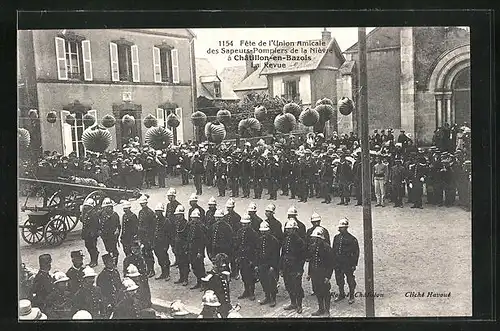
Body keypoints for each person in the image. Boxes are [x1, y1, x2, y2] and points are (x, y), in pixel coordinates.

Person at [280, 219, 306, 314]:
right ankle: (293, 303)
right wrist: (281, 268)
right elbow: (283, 254)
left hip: (295, 268)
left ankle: (299, 305)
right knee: (288, 285)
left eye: (290, 229)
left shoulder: (299, 242)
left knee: (297, 287)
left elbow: (302, 258)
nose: (287, 231)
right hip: (286, 266)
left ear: (295, 230)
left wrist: (300, 270)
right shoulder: (286, 239)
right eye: (287, 229)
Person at [332, 218, 359, 305]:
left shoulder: (352, 239)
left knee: (350, 279)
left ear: (346, 228)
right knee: (339, 279)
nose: (339, 229)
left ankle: (351, 296)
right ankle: (341, 294)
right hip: (338, 263)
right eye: (339, 227)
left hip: (347, 263)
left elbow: (356, 253)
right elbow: (334, 250)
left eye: (341, 227)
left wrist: (354, 264)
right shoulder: (336, 237)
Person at [307, 227, 334, 316]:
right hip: (315, 273)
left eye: (316, 238)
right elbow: (311, 261)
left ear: (320, 238)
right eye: (314, 238)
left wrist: (328, 276)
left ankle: (327, 310)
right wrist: (309, 273)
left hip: (323, 274)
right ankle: (321, 309)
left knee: (325, 292)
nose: (315, 240)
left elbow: (330, 264)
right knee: (317, 291)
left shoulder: (327, 248)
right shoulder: (312, 247)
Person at [255, 221, 280, 307]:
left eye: (265, 231)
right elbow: (257, 253)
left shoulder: (274, 241)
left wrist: (273, 266)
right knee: (263, 281)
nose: (263, 233)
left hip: (270, 266)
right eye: (262, 231)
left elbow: (276, 255)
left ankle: (273, 298)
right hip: (262, 265)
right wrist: (257, 265)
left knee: (271, 282)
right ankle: (267, 296)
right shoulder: (259, 240)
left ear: (268, 231)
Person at [234, 214, 259, 301]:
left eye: (246, 224)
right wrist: (237, 256)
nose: (244, 225)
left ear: (249, 224)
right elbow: (236, 245)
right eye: (243, 224)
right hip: (241, 257)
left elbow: (256, 249)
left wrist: (254, 261)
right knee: (244, 275)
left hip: (250, 258)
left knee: (251, 277)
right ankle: (246, 291)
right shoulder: (239, 232)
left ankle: (251, 292)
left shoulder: (254, 234)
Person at [201, 253, 232, 318]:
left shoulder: (224, 274)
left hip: (225, 305)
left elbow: (226, 291)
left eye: (225, 264)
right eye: (222, 264)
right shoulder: (211, 277)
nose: (224, 266)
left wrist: (228, 304)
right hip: (216, 307)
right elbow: (209, 297)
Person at [96, 253, 123, 318]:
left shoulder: (116, 272)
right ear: (106, 263)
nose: (113, 263)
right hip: (108, 301)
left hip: (118, 299)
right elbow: (100, 292)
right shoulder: (101, 276)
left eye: (113, 261)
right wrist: (107, 302)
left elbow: (119, 286)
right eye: (111, 261)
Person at [187, 208, 207, 290]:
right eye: (192, 218)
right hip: (191, 249)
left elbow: (202, 241)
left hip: (198, 250)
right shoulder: (190, 225)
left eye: (195, 218)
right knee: (194, 267)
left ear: (198, 218)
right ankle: (198, 282)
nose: (194, 220)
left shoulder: (201, 227)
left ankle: (203, 283)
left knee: (200, 267)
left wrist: (200, 252)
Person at [137, 195, 156, 277]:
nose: (142, 205)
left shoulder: (150, 212)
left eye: (143, 203)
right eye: (141, 204)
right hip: (143, 236)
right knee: (144, 253)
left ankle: (152, 270)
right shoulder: (140, 212)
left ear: (146, 203)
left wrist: (150, 238)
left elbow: (153, 226)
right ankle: (148, 269)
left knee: (149, 254)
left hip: (148, 236)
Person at [99, 198, 121, 264]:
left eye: (106, 208)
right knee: (108, 249)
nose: (105, 209)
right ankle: (110, 262)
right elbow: (101, 223)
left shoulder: (114, 215)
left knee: (114, 249)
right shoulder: (103, 214)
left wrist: (116, 233)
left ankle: (115, 262)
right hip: (105, 235)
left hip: (112, 236)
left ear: (110, 207)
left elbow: (118, 226)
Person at [153, 203, 170, 281]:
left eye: (158, 211)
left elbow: (168, 234)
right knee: (159, 259)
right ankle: (163, 273)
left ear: (162, 212)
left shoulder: (166, 221)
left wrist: (166, 245)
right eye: (156, 211)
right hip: (156, 243)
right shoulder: (156, 220)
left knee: (165, 258)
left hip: (163, 243)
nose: (157, 213)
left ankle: (167, 274)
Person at [173, 205, 190, 286]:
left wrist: (186, 247)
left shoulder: (186, 224)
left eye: (178, 214)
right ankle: (181, 277)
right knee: (179, 262)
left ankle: (185, 279)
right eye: (176, 215)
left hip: (183, 246)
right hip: (177, 246)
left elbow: (188, 237)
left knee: (184, 263)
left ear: (182, 215)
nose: (177, 216)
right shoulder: (176, 223)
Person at [81, 198, 100, 267]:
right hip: (87, 234)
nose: (86, 207)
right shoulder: (87, 213)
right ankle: (92, 260)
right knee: (88, 246)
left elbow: (96, 224)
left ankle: (94, 261)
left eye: (88, 206)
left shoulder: (93, 214)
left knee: (92, 247)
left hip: (91, 234)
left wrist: (93, 233)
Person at [224, 198, 241, 279]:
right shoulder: (225, 217)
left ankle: (235, 272)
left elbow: (238, 230)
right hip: (226, 240)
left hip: (233, 240)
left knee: (234, 258)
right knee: (227, 257)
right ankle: (228, 272)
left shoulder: (237, 217)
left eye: (230, 207)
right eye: (228, 207)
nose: (229, 209)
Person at [165, 188, 180, 266]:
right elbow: (166, 216)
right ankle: (176, 260)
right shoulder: (168, 205)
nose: (169, 198)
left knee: (177, 245)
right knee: (172, 245)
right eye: (168, 196)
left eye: (170, 196)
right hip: (169, 228)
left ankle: (179, 260)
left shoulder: (178, 205)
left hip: (175, 228)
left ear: (174, 196)